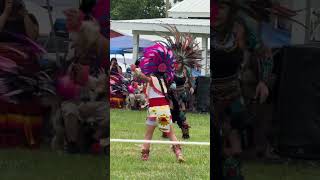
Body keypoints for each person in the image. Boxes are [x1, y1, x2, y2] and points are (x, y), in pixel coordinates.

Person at [212, 0, 302, 179]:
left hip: (233, 98)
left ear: (230, 9)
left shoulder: (240, 29)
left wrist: (263, 81)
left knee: (234, 154)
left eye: (221, 8)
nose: (215, 13)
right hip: (211, 100)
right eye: (212, 8)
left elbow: (265, 55)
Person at [131, 42, 185, 163]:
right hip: (164, 111)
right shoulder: (165, 79)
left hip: (154, 112)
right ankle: (178, 153)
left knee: (148, 135)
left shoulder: (153, 79)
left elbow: (143, 78)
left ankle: (144, 156)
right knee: (171, 133)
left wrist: (135, 70)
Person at [161, 26, 201, 139]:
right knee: (167, 113)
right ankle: (165, 132)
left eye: (178, 62)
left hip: (181, 94)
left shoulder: (186, 69)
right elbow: (164, 80)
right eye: (174, 62)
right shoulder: (169, 69)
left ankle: (185, 133)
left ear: (182, 62)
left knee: (182, 115)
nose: (176, 64)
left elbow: (191, 79)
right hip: (170, 94)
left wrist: (192, 87)